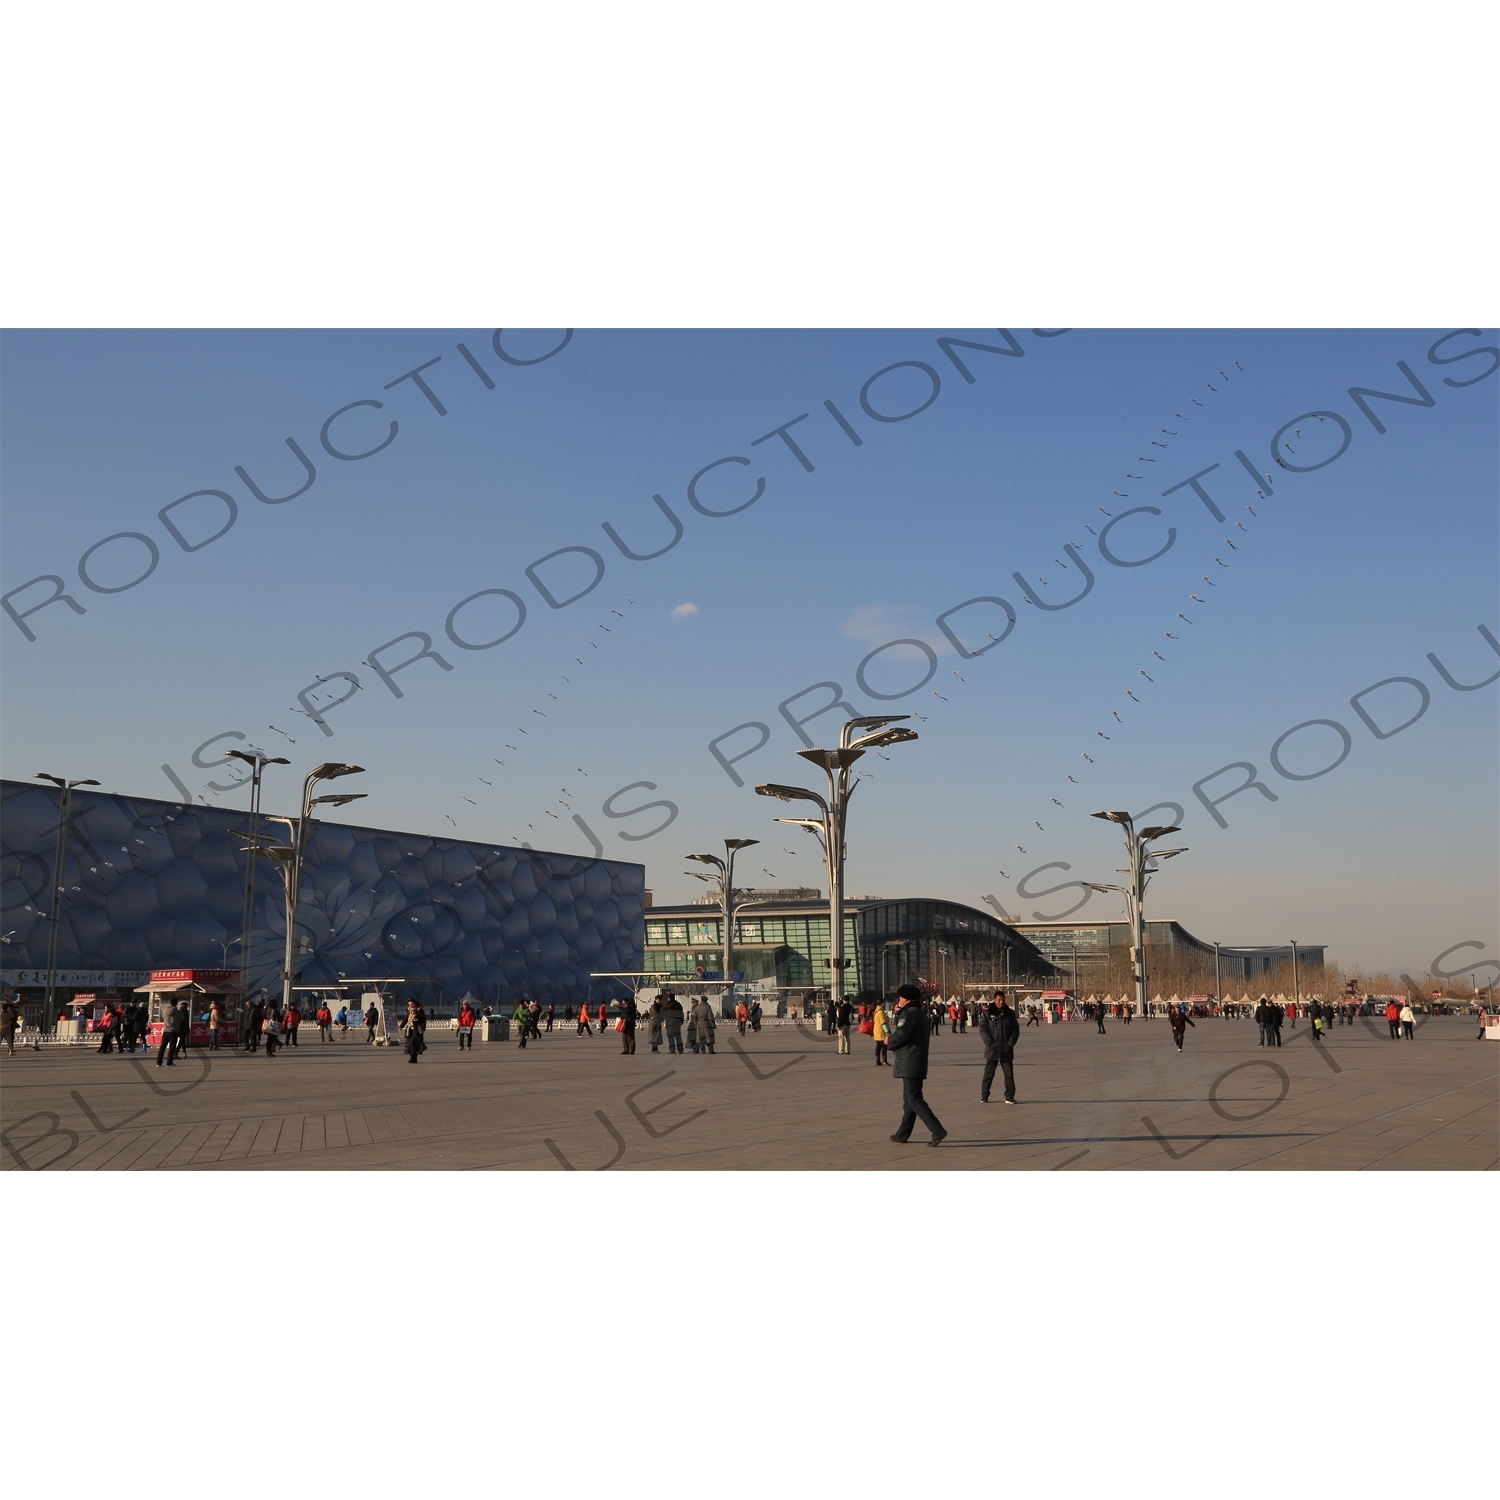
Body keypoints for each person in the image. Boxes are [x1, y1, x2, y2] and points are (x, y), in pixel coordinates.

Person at [888, 984, 946, 1146]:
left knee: (913, 1098)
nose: (898, 1000)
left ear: (906, 999)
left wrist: (889, 1041)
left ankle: (937, 1130)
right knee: (909, 1100)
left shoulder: (908, 1014)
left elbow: (901, 1034)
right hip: (917, 1059)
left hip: (909, 1061)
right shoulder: (920, 1013)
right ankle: (902, 1134)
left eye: (899, 997)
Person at [978, 991, 1020, 1104]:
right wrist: (990, 1043)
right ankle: (984, 1095)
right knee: (989, 1073)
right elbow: (982, 1029)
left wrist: (1011, 1042)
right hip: (992, 1049)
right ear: (994, 1000)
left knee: (1009, 1074)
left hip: (1006, 1048)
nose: (1001, 1002)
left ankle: (1009, 1096)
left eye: (1003, 1000)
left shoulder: (1010, 1013)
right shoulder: (987, 1014)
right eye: (999, 1000)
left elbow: (1015, 1029)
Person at [872, 996, 890, 1066]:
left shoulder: (876, 1011)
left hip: (876, 1031)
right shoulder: (881, 1011)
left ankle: (877, 1060)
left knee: (878, 1047)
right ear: (881, 1004)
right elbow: (883, 1023)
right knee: (884, 1046)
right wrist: (887, 1031)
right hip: (881, 1032)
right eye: (884, 1003)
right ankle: (884, 1060)